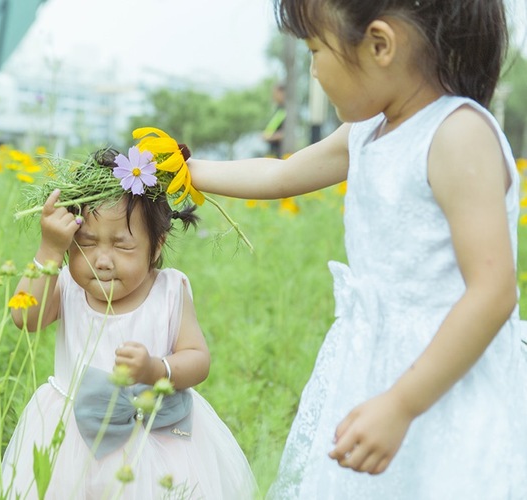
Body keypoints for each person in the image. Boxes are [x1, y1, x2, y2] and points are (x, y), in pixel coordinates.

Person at [188, 0, 527, 498]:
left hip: (443, 380)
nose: (313, 68)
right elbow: (281, 174)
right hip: (370, 365)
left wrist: (403, 404)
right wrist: (185, 171)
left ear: (379, 45)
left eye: (316, 49)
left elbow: (493, 293)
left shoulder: (457, 135)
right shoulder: (368, 130)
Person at [0, 148, 257, 499]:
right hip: (72, 435)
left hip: (156, 440)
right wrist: (48, 250)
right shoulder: (67, 286)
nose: (102, 260)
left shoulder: (169, 290)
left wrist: (156, 368)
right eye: (86, 243)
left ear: (156, 246)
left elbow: (197, 359)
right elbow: (23, 317)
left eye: (122, 246)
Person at [263, 83, 287, 158]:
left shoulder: (287, 110)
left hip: (282, 153)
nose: (273, 96)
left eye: (275, 93)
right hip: (273, 151)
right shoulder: (278, 109)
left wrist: (270, 137)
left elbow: (286, 133)